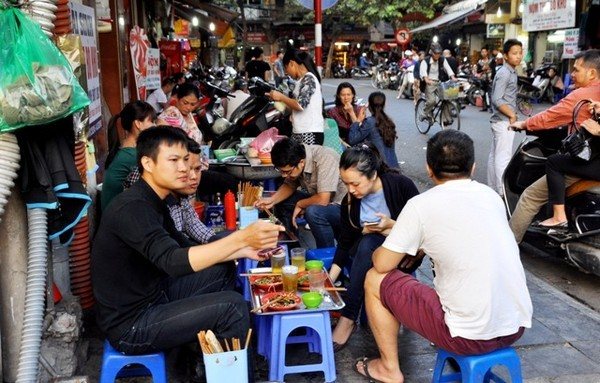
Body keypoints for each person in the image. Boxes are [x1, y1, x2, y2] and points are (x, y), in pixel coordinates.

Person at [92, 126, 283, 373]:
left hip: (156, 295)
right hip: (132, 325)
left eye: (185, 160)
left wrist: (242, 250)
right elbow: (173, 261)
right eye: (173, 160)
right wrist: (240, 238)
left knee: (222, 268)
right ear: (147, 163)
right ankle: (226, 373)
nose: (183, 168)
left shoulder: (154, 200)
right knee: (232, 307)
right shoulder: (132, 208)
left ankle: (204, 359)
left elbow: (185, 247)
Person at [353, 130, 533, 382]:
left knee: (374, 279)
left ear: (429, 168)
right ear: (473, 168)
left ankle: (388, 368)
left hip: (466, 336)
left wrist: (388, 236)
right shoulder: (492, 197)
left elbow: (382, 264)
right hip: (515, 326)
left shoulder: (421, 205)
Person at [330, 144, 419, 352]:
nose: (351, 190)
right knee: (367, 243)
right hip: (369, 255)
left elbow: (423, 228)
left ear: (372, 175)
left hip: (404, 252)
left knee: (369, 242)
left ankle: (348, 318)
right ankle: (355, 313)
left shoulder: (401, 185)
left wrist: (390, 227)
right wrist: (326, 282)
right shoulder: (350, 202)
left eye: (355, 183)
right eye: (346, 183)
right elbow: (344, 243)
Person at [509, 49, 600, 241]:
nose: (572, 75)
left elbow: (551, 116)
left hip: (588, 161)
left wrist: (524, 124)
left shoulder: (582, 96)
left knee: (530, 196)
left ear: (592, 73)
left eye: (576, 70)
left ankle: (506, 247)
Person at [255, 137, 346, 248]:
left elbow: (323, 200)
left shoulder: (325, 158)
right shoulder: (297, 157)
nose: (284, 175)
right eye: (281, 171)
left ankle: (326, 253)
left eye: (287, 172)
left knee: (313, 212)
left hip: (342, 207)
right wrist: (272, 200)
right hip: (322, 201)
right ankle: (292, 248)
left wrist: (301, 204)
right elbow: (289, 185)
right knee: (284, 201)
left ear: (301, 163)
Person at [101, 101, 156, 212]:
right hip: (119, 220)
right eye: (151, 121)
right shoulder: (132, 156)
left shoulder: (128, 151)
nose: (155, 125)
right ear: (138, 124)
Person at [487, 39, 523, 197]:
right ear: (506, 55)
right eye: (514, 53)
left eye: (520, 53)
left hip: (501, 120)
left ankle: (494, 188)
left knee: (495, 155)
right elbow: (497, 99)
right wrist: (511, 114)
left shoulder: (510, 72)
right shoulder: (504, 73)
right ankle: (502, 192)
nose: (519, 56)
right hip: (503, 121)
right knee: (503, 157)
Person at [268, 49, 324, 145]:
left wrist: (281, 97)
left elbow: (300, 105)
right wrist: (277, 100)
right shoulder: (301, 81)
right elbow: (293, 107)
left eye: (286, 68)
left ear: (291, 63)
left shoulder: (309, 78)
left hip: (310, 133)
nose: (287, 72)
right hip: (299, 131)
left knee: (304, 160)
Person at [347, 91, 399, 168]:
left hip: (381, 168)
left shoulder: (370, 122)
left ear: (369, 106)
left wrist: (357, 121)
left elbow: (352, 140)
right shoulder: (388, 122)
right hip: (394, 166)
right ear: (384, 105)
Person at [420, 42, 456, 124]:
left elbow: (448, 69)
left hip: (439, 83)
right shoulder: (425, 61)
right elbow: (423, 73)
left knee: (448, 98)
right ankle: (424, 113)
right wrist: (427, 80)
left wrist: (452, 77)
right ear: (431, 53)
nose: (437, 55)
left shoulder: (442, 59)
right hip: (429, 84)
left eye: (439, 53)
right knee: (432, 101)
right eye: (435, 53)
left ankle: (445, 119)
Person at [476, 47, 495, 112]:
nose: (483, 53)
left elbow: (494, 70)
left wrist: (493, 78)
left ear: (487, 52)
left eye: (485, 52)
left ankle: (492, 108)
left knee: (490, 94)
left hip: (490, 79)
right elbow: (478, 71)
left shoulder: (491, 61)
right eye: (482, 52)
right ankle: (484, 107)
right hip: (482, 79)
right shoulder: (480, 62)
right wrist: (482, 69)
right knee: (483, 93)